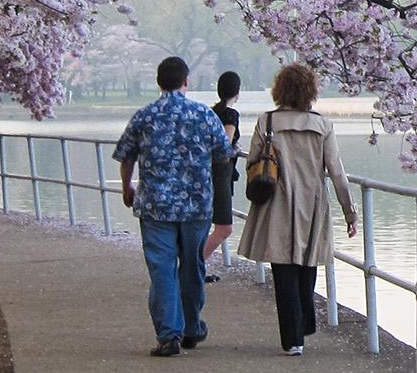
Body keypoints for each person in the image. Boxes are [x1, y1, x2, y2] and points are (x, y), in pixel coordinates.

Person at [113, 57, 231, 357]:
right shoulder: (204, 116)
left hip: (155, 207)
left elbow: (126, 156)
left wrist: (128, 187)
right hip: (196, 206)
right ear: (186, 81)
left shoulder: (145, 116)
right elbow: (222, 155)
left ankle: (169, 335)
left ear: (158, 82)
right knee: (192, 265)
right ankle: (191, 327)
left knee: (162, 269)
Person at [237, 63, 358, 356]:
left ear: (280, 89)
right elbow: (337, 172)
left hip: (277, 202)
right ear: (310, 92)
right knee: (307, 264)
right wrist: (349, 212)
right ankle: (304, 323)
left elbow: (252, 160)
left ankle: (293, 338)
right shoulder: (322, 125)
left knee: (283, 269)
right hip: (312, 202)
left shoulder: (267, 122)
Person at [204, 72, 243, 266]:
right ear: (237, 92)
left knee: (205, 223)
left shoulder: (210, 112)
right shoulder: (230, 115)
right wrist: (235, 150)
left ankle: (193, 266)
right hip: (220, 173)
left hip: (205, 171)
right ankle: (194, 265)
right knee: (224, 228)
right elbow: (224, 146)